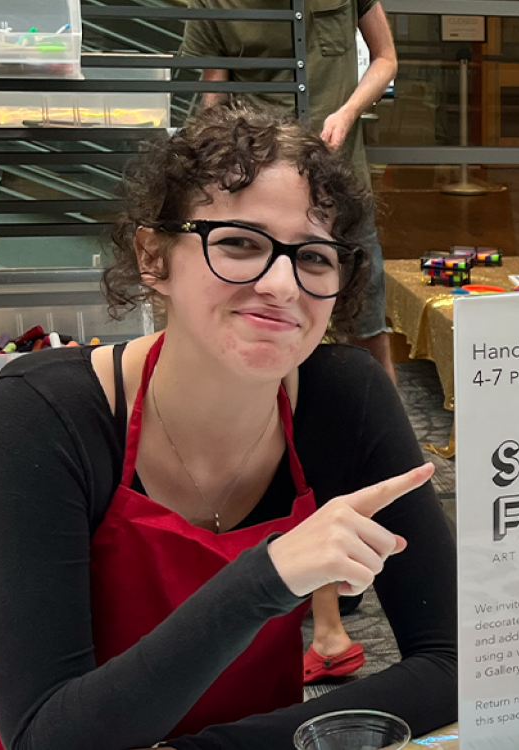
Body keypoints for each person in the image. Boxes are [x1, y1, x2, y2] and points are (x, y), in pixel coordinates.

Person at [0, 106, 458, 750]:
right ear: (152, 257)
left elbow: (449, 662)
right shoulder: (50, 409)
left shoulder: (344, 399)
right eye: (239, 243)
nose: (282, 284)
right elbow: (46, 736)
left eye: (313, 256)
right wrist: (267, 578)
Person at [181, 0, 401, 682]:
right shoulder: (211, 8)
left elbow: (387, 57)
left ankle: (376, 512)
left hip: (337, 188)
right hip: (257, 193)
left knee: (362, 355)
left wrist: (346, 112)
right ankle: (319, 611)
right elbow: (207, 105)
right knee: (273, 390)